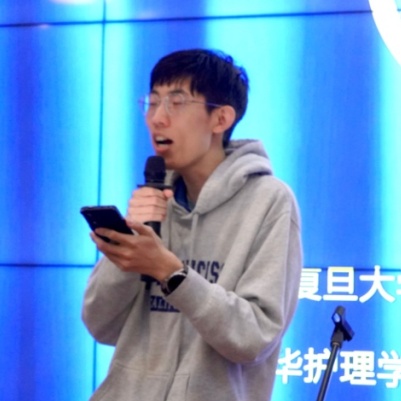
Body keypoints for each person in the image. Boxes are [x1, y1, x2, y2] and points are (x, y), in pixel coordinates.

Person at [82, 48, 303, 401]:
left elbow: (254, 338)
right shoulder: (154, 199)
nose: (157, 118)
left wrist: (171, 273)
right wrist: (126, 252)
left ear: (221, 118)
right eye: (152, 102)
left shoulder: (270, 201)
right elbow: (100, 325)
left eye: (176, 103)